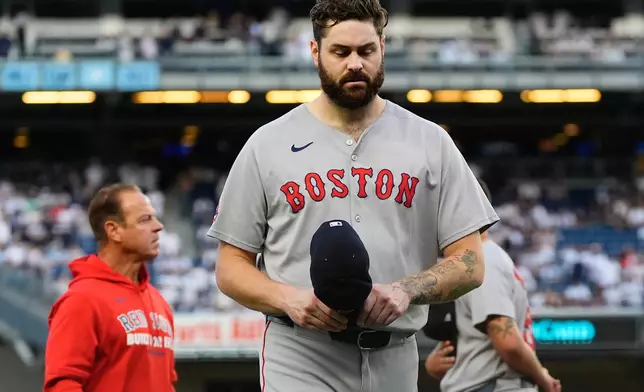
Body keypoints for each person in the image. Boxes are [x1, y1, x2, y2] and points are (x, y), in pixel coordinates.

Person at [208, 0, 499, 390]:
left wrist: (405, 289)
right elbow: (231, 267)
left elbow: (470, 261)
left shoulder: (431, 141)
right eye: (340, 52)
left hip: (394, 353)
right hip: (301, 352)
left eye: (366, 51)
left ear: (382, 47)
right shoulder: (268, 144)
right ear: (316, 52)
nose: (355, 64)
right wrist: (287, 298)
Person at [423, 179, 562, 392]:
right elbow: (482, 335)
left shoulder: (484, 259)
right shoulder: (471, 260)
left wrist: (541, 377)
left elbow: (507, 341)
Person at [43, 184, 177, 392]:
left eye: (154, 217)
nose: (158, 226)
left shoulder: (159, 303)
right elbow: (63, 384)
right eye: (145, 220)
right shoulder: (81, 300)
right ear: (113, 230)